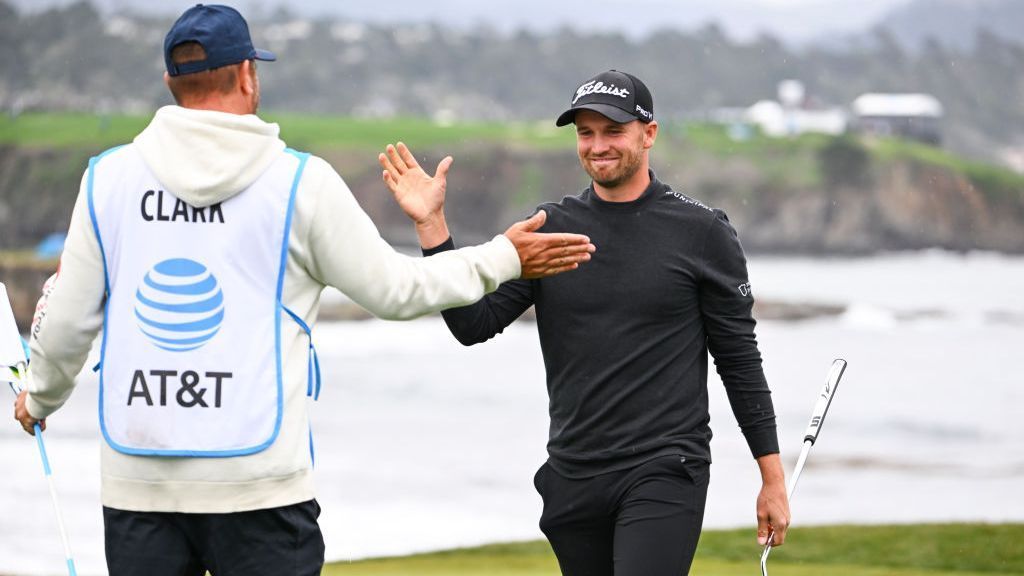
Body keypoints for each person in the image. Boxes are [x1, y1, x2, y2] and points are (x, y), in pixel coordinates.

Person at [12, 5, 594, 575]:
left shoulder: (106, 180)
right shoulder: (298, 183)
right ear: (247, 74)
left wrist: (39, 397)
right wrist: (503, 257)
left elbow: (66, 320)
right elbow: (396, 291)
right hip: (260, 489)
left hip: (139, 491)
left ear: (170, 82)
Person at [379, 69, 790, 575]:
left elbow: (739, 359)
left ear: (649, 133)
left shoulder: (702, 232)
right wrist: (432, 227)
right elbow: (472, 325)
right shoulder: (550, 228)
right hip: (573, 475)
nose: (598, 146)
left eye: (613, 131)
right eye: (585, 132)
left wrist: (771, 478)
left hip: (664, 468)